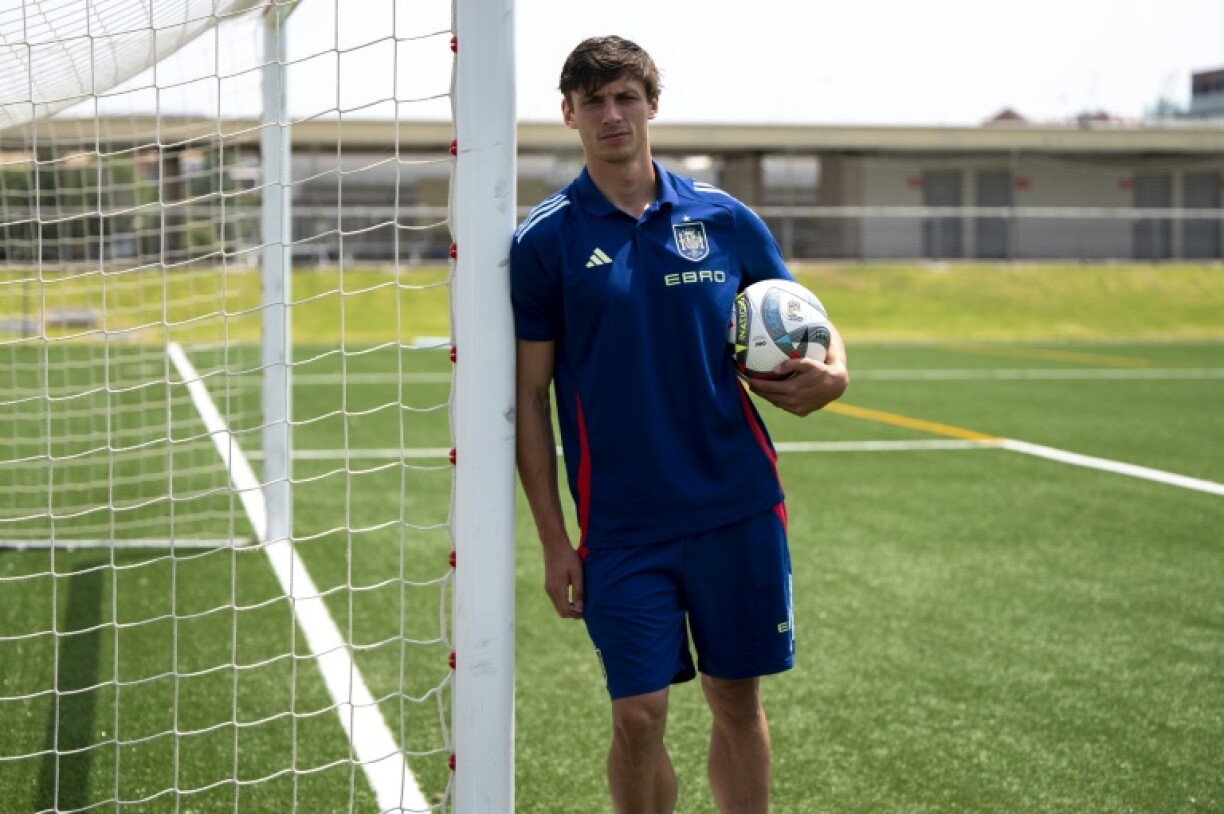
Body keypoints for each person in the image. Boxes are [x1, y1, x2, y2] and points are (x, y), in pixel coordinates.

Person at [510, 35, 849, 813]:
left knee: (737, 703)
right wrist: (554, 539)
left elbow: (809, 320)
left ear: (653, 105)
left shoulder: (725, 220)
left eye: (625, 96)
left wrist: (836, 372)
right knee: (638, 717)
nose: (611, 114)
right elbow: (530, 399)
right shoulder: (545, 241)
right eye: (592, 101)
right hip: (624, 524)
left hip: (736, 505)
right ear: (567, 114)